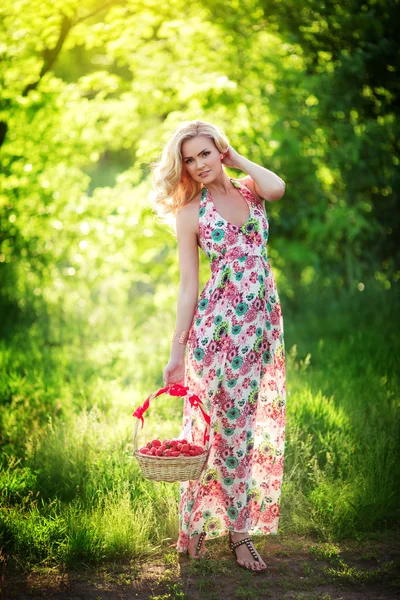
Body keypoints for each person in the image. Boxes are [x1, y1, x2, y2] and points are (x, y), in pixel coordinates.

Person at [151, 120, 286, 572]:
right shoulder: (190, 212)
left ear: (219, 149)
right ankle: (224, 532)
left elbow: (278, 187)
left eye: (204, 154)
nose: (198, 164)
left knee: (240, 431)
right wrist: (176, 351)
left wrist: (236, 158)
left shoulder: (250, 190)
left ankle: (227, 528)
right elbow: (188, 286)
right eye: (189, 159)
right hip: (216, 331)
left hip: (259, 327)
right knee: (213, 429)